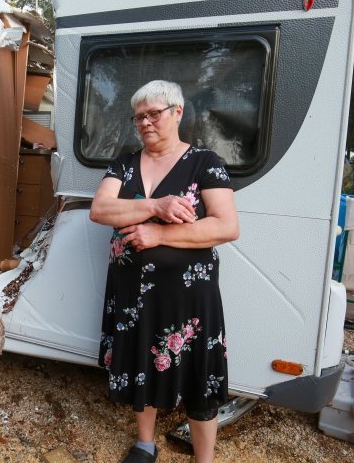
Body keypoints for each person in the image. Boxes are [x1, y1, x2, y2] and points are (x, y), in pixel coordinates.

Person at [89, 80, 239, 463]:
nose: (145, 122)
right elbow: (101, 210)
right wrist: (156, 207)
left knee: (197, 378)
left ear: (177, 112)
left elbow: (225, 227)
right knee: (142, 365)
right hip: (133, 291)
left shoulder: (206, 163)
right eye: (138, 117)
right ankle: (145, 443)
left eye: (153, 113)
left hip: (188, 297)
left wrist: (159, 235)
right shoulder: (124, 163)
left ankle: (203, 460)